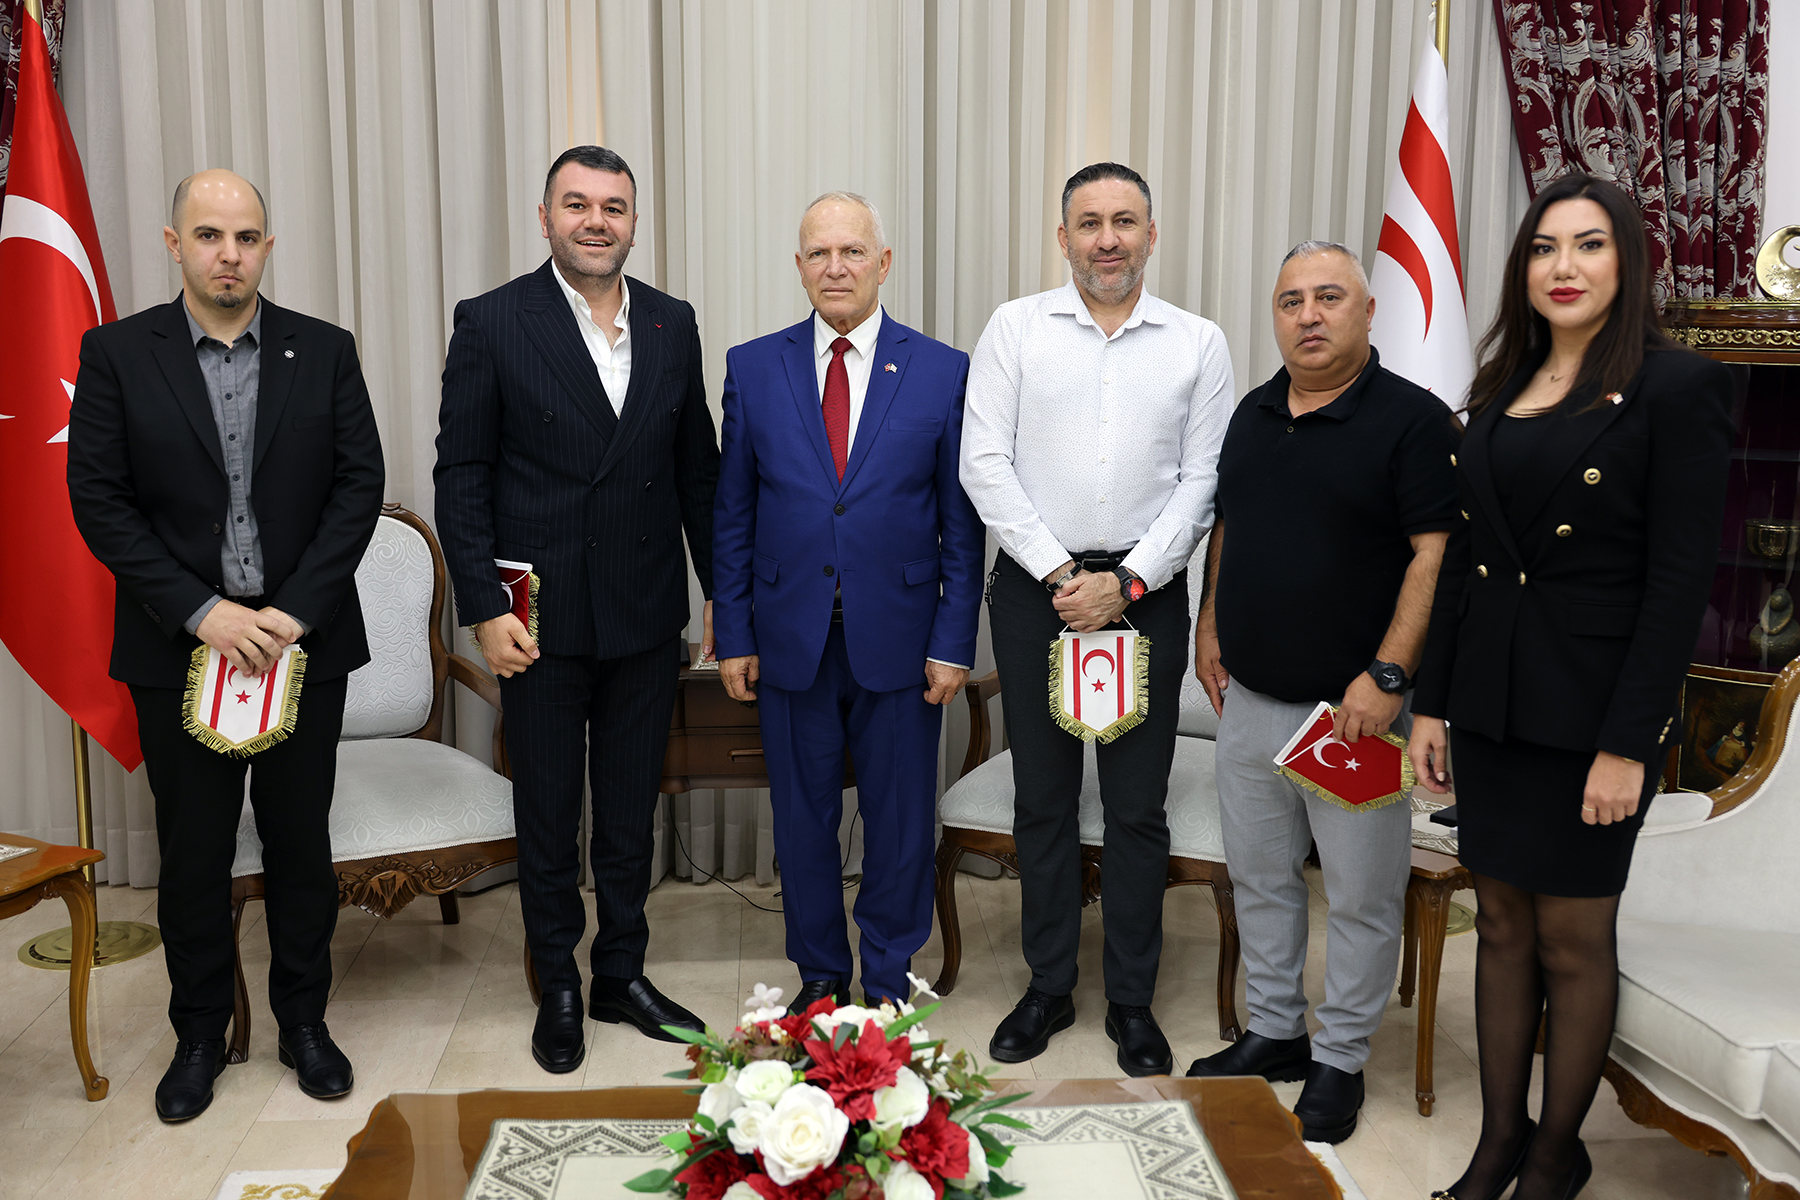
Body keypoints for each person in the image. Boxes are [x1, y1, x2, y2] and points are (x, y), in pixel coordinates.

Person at [1409, 174, 1733, 1200]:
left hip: (1593, 710)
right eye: (1546, 247)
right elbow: (1467, 563)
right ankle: (1500, 1142)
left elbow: (1679, 585)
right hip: (1495, 702)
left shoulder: (1676, 387)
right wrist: (1433, 701)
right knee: (1502, 924)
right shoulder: (1501, 383)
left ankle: (1556, 1155)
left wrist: (1629, 742)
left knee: (1572, 936)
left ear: (1628, 261)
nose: (1564, 266)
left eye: (1589, 245)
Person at [67, 170, 385, 1121]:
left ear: (267, 247)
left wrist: (294, 612)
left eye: (246, 237)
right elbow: (99, 501)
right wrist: (202, 612)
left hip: (300, 646)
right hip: (178, 649)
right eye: (209, 236)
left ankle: (304, 1024)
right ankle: (201, 1035)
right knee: (195, 854)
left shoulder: (323, 350)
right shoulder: (117, 354)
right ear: (175, 245)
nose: (229, 255)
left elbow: (358, 486)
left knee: (299, 846)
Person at [434, 146, 719, 1073]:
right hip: (537, 620)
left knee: (630, 813)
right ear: (545, 216)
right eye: (577, 204)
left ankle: (620, 973)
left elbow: (698, 474)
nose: (597, 221)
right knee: (551, 813)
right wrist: (484, 607)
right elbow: (462, 477)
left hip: (644, 611)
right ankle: (556, 980)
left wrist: (725, 593)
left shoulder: (672, 322)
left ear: (634, 221)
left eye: (614, 207)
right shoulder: (492, 321)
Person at [961, 162, 1233, 1076]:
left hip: (1145, 599)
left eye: (1124, 221)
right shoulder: (1015, 328)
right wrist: (1062, 573)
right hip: (1036, 591)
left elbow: (1203, 480)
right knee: (1042, 799)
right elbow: (983, 462)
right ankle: (1047, 988)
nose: (1106, 239)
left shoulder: (1197, 343)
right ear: (1064, 238)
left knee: (1135, 807)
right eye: (1089, 222)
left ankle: (1131, 1000)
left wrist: (1131, 582)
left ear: (1151, 235)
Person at [1185, 242, 1459, 1144]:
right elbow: (1230, 525)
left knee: (1360, 897)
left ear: (1367, 311)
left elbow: (1434, 555)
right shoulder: (1255, 413)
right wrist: (1210, 624)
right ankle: (1275, 1032)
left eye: (1329, 297)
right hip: (1251, 701)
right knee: (1261, 879)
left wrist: (1388, 676)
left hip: (1354, 717)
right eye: (1291, 300)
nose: (1308, 315)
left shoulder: (1414, 421)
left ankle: (1339, 1059)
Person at [712, 192, 983, 1010]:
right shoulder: (752, 367)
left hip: (902, 638)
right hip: (788, 636)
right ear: (799, 267)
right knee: (802, 820)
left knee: (901, 821)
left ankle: (890, 977)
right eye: (819, 253)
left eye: (853, 251)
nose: (836, 267)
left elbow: (961, 525)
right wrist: (734, 632)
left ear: (883, 263)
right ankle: (822, 976)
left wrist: (953, 641)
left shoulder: (941, 369)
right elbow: (734, 513)